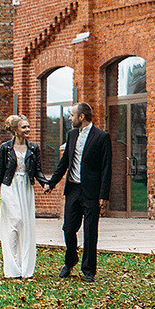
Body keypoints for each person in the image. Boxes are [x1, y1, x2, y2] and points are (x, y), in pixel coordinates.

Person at [44, 101, 111, 281]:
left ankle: (88, 270)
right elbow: (64, 162)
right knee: (68, 228)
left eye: (72, 115)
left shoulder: (101, 137)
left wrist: (104, 195)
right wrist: (51, 183)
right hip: (73, 189)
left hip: (92, 192)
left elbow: (106, 168)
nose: (70, 117)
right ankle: (70, 260)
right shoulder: (72, 134)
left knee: (90, 231)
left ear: (82, 117)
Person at [0, 115, 42, 279]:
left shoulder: (33, 148)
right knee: (16, 221)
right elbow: (0, 172)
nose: (28, 130)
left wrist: (46, 183)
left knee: (25, 227)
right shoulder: (5, 148)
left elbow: (38, 170)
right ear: (15, 130)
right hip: (9, 187)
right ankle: (12, 266)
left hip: (25, 187)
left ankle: (24, 267)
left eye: (28, 126)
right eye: (24, 127)